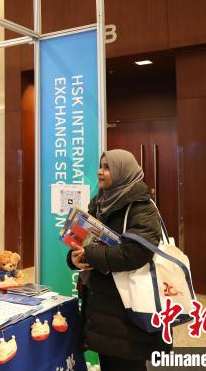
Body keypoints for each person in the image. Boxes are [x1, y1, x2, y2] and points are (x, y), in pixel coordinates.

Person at [67, 149, 170, 371]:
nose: (100, 171)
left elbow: (136, 253)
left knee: (126, 363)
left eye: (107, 167)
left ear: (123, 171)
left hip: (127, 311)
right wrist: (74, 258)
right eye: (100, 166)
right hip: (101, 303)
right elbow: (83, 243)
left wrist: (90, 255)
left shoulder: (141, 207)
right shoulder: (99, 203)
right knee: (108, 361)